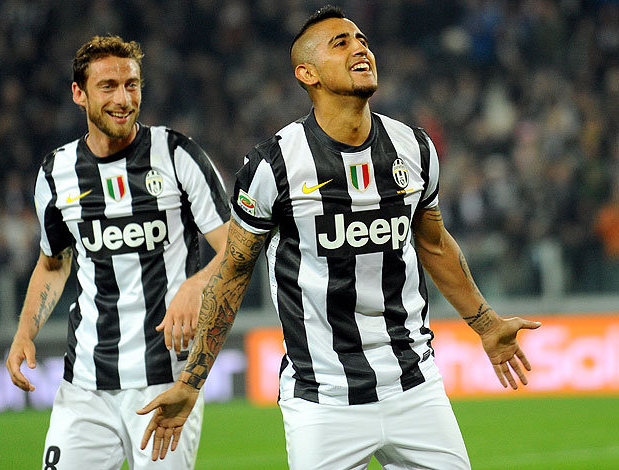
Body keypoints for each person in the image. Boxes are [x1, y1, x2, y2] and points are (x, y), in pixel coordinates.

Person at [137, 6, 541, 469]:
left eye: (362, 39)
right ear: (307, 73)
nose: (360, 48)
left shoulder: (414, 147)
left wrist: (486, 325)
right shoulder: (274, 165)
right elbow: (233, 273)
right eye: (341, 43)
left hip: (415, 387)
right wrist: (190, 382)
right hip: (322, 402)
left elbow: (433, 244)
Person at [5, 35, 230, 470]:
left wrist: (197, 284)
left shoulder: (178, 155)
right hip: (85, 382)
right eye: (108, 86)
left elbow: (236, 248)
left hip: (164, 379)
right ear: (79, 93)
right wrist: (24, 332)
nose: (123, 99)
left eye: (132, 85)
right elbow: (53, 263)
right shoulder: (56, 173)